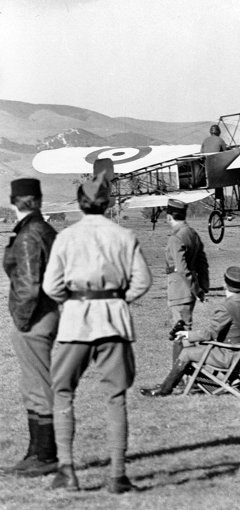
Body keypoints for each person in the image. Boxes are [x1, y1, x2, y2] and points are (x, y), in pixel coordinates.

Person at [42, 161, 152, 493]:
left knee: (62, 391)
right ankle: (117, 476)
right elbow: (143, 281)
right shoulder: (124, 234)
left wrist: (74, 302)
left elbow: (51, 287)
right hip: (113, 322)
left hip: (75, 321)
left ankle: (67, 470)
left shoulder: (66, 237)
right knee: (116, 397)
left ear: (79, 203)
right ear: (107, 202)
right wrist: (117, 301)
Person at [2, 178, 59, 477]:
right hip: (45, 313)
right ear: (38, 200)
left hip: (34, 317)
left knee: (38, 386)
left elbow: (27, 285)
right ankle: (35, 451)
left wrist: (21, 322)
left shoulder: (29, 234)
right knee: (33, 385)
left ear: (14, 203)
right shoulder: (43, 229)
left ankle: (46, 454)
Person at [140, 267, 240, 396]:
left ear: (225, 284)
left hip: (228, 356)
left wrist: (187, 334)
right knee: (194, 348)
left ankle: (164, 390)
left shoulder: (226, 306)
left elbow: (209, 334)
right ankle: (203, 383)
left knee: (186, 353)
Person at [164, 199, 209, 365]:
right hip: (189, 291)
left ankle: (181, 376)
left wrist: (197, 290)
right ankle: (185, 376)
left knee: (181, 333)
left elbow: (182, 269)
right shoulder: (192, 233)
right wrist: (202, 288)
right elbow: (202, 263)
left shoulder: (176, 238)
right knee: (183, 330)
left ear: (169, 217)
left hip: (179, 290)